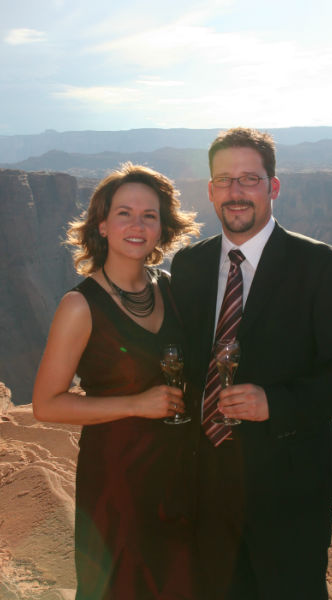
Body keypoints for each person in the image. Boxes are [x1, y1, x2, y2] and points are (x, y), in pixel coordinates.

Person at [170, 127, 332, 600]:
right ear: (210, 190)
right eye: (225, 180)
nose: (236, 192)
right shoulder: (190, 265)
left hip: (290, 494)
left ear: (273, 186)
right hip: (206, 489)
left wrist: (275, 403)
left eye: (249, 179)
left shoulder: (321, 266)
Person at [32, 162, 200, 600]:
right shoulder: (79, 306)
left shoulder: (170, 289)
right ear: (102, 225)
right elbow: (46, 404)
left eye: (149, 215)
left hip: (180, 477)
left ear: (162, 228)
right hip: (117, 485)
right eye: (124, 213)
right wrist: (135, 404)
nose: (137, 225)